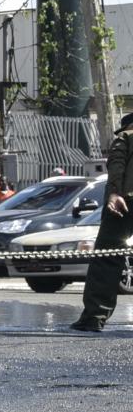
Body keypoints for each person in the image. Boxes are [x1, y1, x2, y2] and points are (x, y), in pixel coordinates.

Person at [73, 113, 133, 331]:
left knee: (107, 258)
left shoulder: (126, 137)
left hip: (125, 202)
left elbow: (116, 163)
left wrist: (115, 193)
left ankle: (94, 317)